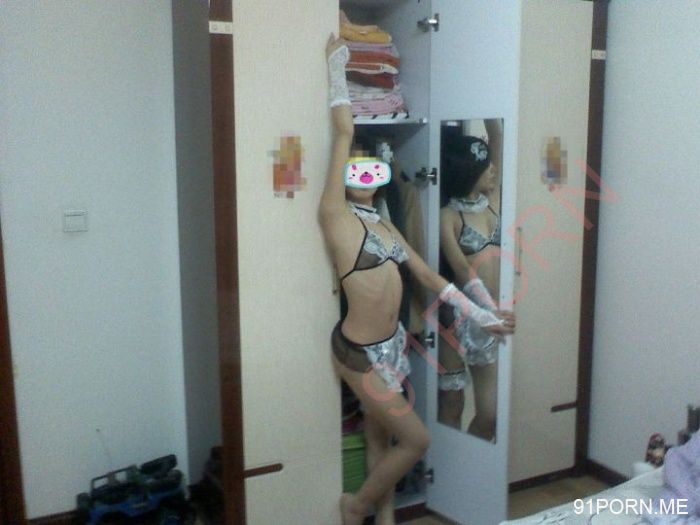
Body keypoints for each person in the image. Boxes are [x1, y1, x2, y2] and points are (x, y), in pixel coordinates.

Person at [320, 36, 515, 525]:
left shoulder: (385, 224)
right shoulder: (336, 218)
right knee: (416, 438)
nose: (364, 175)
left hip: (392, 345)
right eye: (356, 168)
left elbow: (429, 276)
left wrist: (483, 316)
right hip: (358, 352)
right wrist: (336, 69)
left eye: (371, 168)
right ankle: (356, 507)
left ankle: (382, 518)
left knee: (381, 437)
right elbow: (343, 131)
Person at [437, 131, 516, 441]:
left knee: (490, 414)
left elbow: (499, 134)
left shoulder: (494, 203)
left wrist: (493, 313)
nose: (493, 170)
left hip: (491, 320)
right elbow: (462, 270)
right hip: (457, 318)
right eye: (486, 166)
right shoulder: (448, 216)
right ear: (468, 171)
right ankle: (446, 469)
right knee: (452, 402)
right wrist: (488, 310)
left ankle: (470, 466)